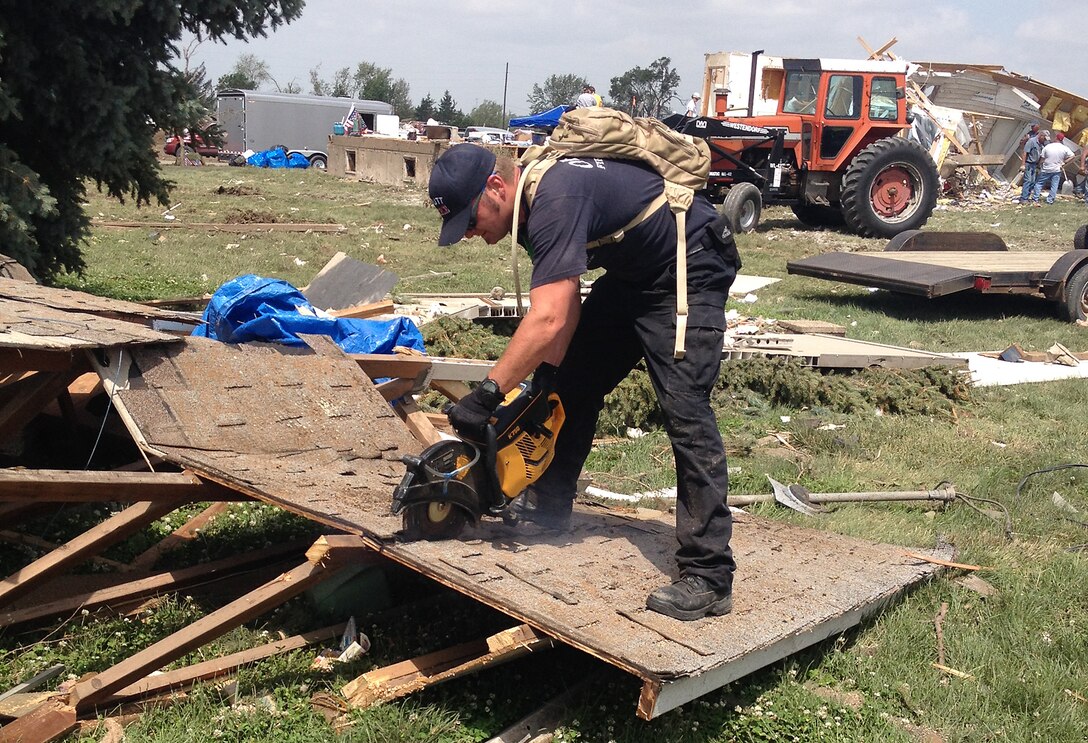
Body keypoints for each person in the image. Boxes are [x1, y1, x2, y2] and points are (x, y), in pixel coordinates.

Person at [428, 143, 739, 621]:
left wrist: (487, 395)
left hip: (689, 263)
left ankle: (709, 575)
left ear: (496, 186)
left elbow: (547, 319)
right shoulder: (530, 208)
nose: (470, 233)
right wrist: (548, 379)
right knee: (569, 384)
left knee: (686, 411)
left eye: (470, 220)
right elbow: (565, 304)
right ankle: (548, 509)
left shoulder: (554, 199)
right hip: (635, 273)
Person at [1035, 131, 1074, 205]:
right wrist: (1064, 162)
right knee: (1054, 185)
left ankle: (1035, 198)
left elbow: (1042, 158)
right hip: (1057, 169)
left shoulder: (1048, 147)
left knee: (1039, 183)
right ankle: (1050, 200)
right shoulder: (1064, 148)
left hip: (1046, 169)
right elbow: (1072, 156)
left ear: (1056, 138)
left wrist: (1038, 165)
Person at [1018, 125, 1042, 205]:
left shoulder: (1040, 143)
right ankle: (1023, 198)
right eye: (1044, 138)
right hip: (1029, 164)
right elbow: (1025, 152)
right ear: (1041, 136)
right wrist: (1023, 164)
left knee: (1032, 181)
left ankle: (1027, 197)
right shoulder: (1031, 141)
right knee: (1027, 181)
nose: (1044, 140)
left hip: (1035, 165)